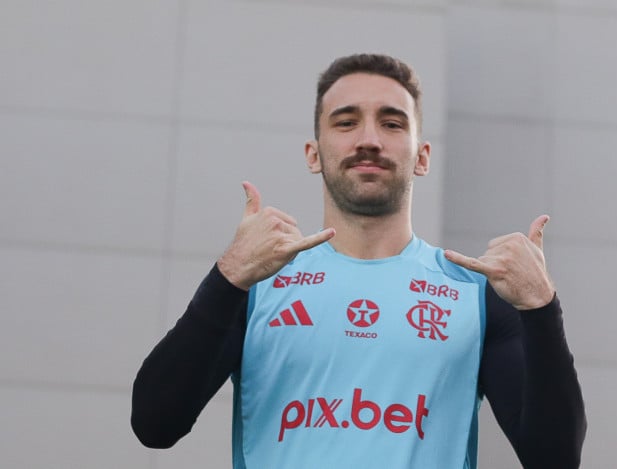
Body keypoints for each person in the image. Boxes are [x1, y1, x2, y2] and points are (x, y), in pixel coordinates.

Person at [131, 53, 586, 468]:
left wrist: (542, 308)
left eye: (392, 124)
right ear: (314, 154)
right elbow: (155, 425)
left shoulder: (476, 296)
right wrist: (228, 276)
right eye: (346, 122)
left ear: (422, 157)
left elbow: (555, 460)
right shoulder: (255, 285)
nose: (369, 140)